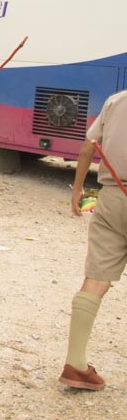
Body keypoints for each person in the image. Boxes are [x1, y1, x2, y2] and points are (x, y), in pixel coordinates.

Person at [60, 91, 127, 391]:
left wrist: (77, 188)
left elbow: (88, 146)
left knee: (96, 278)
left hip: (113, 197)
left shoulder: (117, 101)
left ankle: (75, 365)